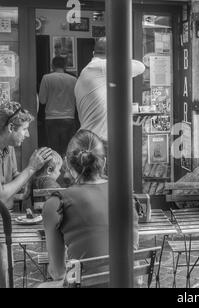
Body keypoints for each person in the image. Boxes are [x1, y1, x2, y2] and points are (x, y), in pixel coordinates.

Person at [42, 130, 139, 282]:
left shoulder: (55, 204)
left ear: (67, 162)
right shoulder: (126, 195)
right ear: (104, 162)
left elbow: (58, 272)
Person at [0, 101, 53, 288]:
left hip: (5, 219)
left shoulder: (8, 148)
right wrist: (30, 169)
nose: (28, 134)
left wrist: (33, 178)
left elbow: (14, 178)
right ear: (11, 127)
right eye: (24, 129)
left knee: (6, 268)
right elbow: (1, 195)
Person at [75, 37, 145, 141]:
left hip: (89, 138)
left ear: (94, 53)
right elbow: (140, 67)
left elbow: (102, 106)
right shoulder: (102, 67)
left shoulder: (88, 71)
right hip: (97, 141)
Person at [39, 56, 77, 155]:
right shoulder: (73, 80)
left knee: (54, 151)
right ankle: (67, 169)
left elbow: (42, 100)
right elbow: (77, 100)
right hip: (69, 117)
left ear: (52, 65)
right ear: (65, 66)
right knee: (68, 150)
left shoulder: (46, 78)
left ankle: (56, 169)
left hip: (51, 118)